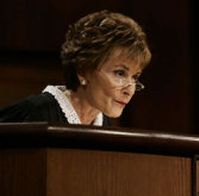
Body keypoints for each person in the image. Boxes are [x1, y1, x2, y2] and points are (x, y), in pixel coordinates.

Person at [0, 10, 151, 125]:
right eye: (120, 73)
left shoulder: (104, 124)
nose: (129, 90)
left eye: (135, 77)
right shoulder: (35, 113)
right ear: (83, 71)